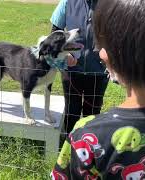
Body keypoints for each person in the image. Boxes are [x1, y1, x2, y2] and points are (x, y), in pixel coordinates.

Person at [51, 0, 145, 179]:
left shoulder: (86, 139)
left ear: (107, 56)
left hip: (96, 77)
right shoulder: (68, 4)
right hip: (73, 74)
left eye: (101, 44)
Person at [50, 0, 109, 135]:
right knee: (72, 111)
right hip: (71, 70)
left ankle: (90, 146)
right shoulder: (67, 2)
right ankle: (69, 146)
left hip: (98, 71)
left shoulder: (111, 4)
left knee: (93, 112)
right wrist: (65, 52)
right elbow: (55, 32)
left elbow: (118, 34)